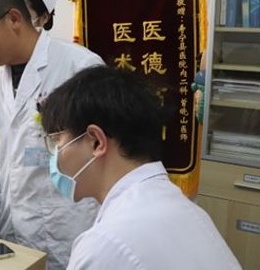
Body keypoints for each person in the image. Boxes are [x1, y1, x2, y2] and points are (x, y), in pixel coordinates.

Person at [40, 66, 241, 270]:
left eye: (57, 140)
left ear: (96, 142)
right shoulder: (188, 211)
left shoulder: (105, 245)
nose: (55, 153)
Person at [0, 0, 104, 269]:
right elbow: (3, 136)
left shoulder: (79, 66)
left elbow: (104, 152)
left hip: (64, 219)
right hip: (13, 211)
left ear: (14, 19)